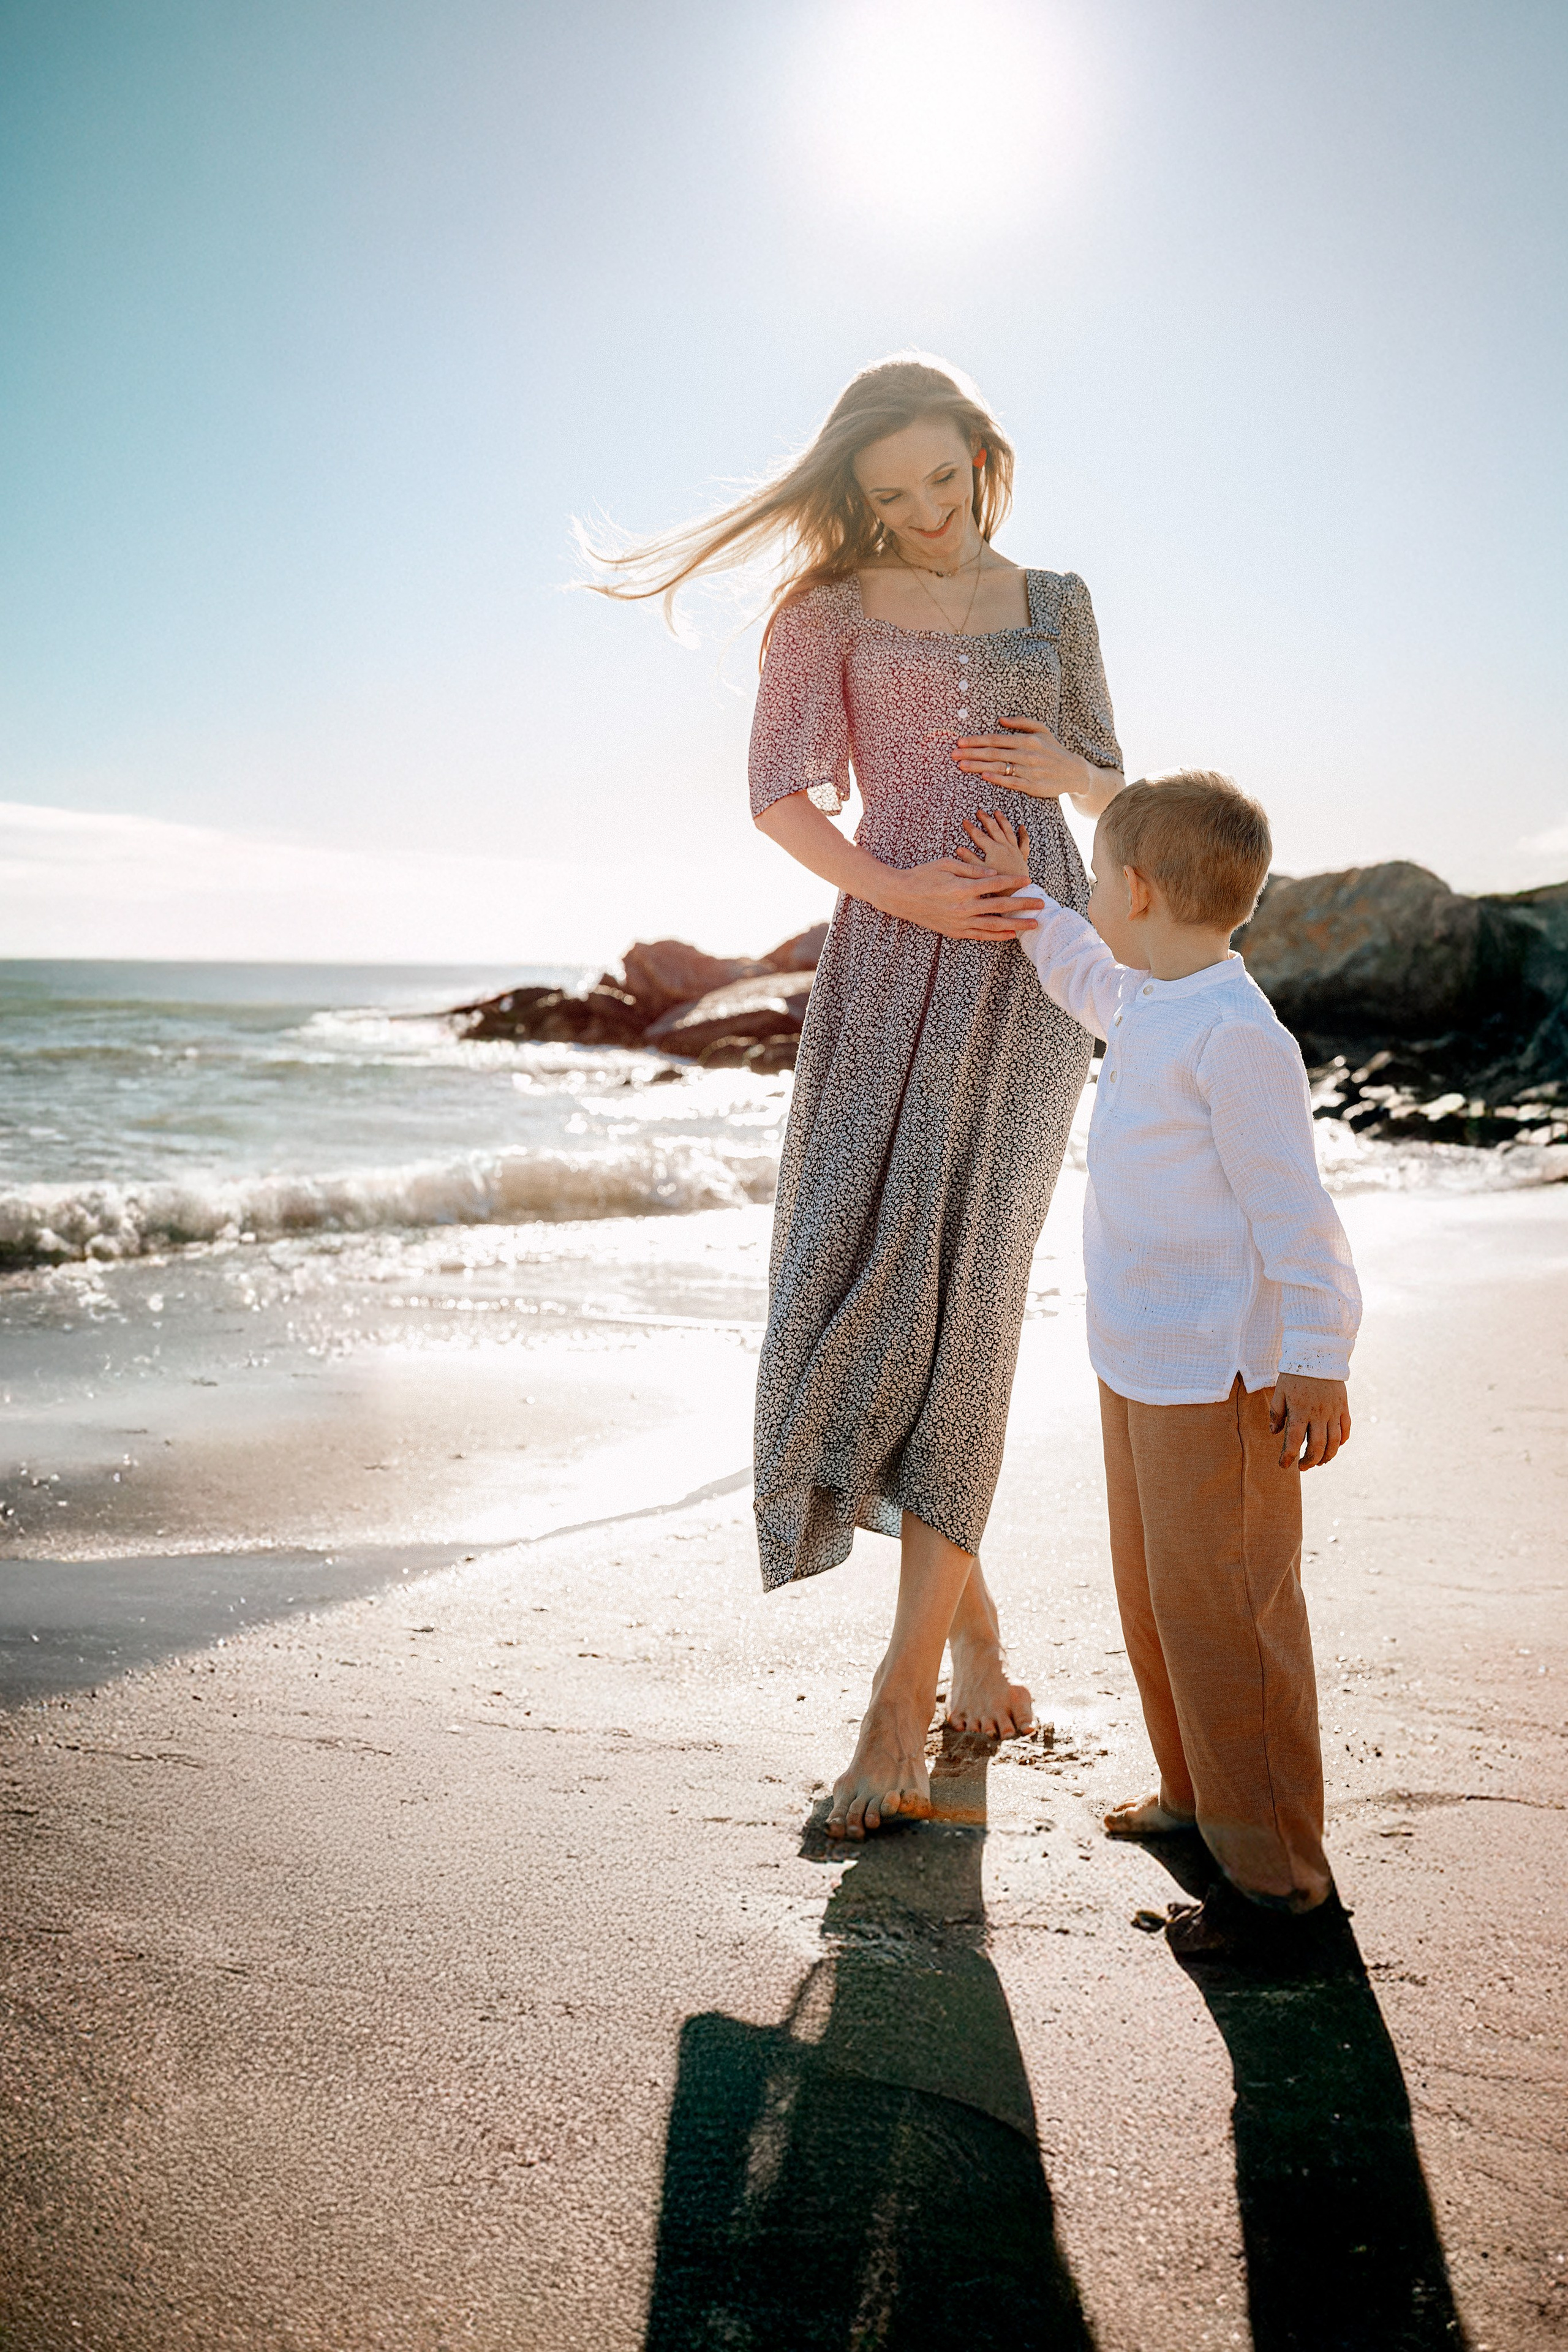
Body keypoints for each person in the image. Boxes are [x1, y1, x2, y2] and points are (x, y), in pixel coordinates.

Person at [590, 354, 1125, 1838]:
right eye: (891, 496)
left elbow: (1110, 790)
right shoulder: (823, 607)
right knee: (854, 1279)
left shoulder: (1058, 602)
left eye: (943, 481)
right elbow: (775, 793)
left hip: (1032, 971)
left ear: (981, 457)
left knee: (970, 1299)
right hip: (888, 960)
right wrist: (904, 893)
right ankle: (975, 1641)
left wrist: (1064, 766)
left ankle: (900, 1704)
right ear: (854, 493)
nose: (926, 514)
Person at [954, 778, 1362, 1958]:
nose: (1090, 898)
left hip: (1221, 1380)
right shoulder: (1150, 1000)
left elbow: (1298, 1216)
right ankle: (1194, 1797)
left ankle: (1280, 1887)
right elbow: (1079, 970)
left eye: (1092, 880)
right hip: (1135, 1360)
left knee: (1230, 1617)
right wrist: (1029, 901)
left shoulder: (1238, 1037)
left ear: (1136, 890)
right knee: (1157, 1600)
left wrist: (1317, 1357)